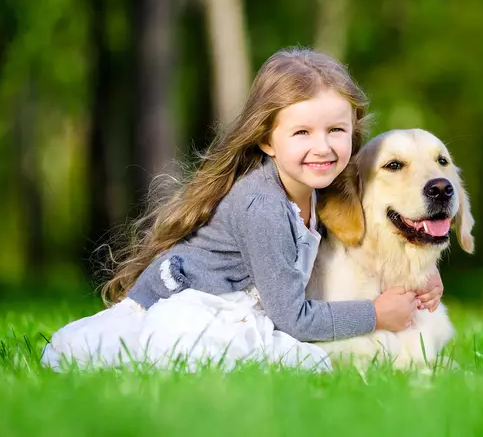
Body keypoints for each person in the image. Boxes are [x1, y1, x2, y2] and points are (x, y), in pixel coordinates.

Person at [41, 47, 444, 372]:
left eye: (335, 130)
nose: (322, 147)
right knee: (308, 364)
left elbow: (370, 252)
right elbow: (294, 320)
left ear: (352, 133)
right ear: (267, 141)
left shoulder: (321, 191)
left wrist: (424, 281)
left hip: (245, 310)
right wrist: (374, 315)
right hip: (198, 310)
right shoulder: (262, 206)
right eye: (302, 132)